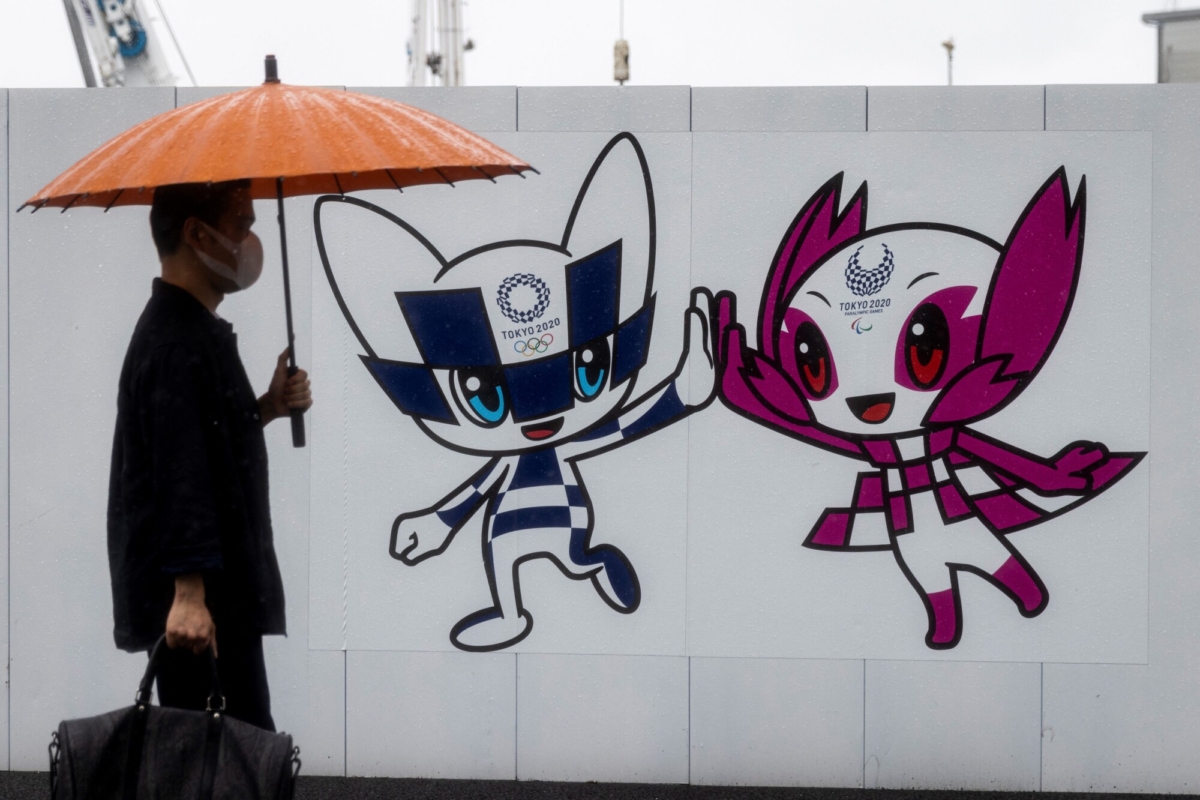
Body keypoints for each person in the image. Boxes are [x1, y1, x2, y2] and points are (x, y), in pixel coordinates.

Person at [107, 180, 312, 731]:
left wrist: (265, 407)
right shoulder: (177, 342)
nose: (251, 238)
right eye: (242, 223)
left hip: (214, 599)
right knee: (226, 763)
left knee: (225, 757)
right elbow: (179, 473)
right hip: (201, 610)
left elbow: (203, 439)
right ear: (198, 234)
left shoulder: (190, 330)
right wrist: (190, 596)